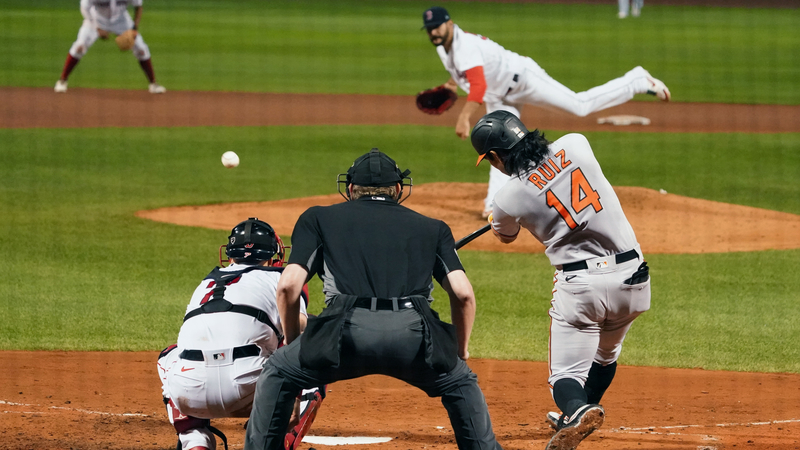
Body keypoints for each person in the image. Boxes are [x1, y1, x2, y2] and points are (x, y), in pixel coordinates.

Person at [244, 149, 503, 450]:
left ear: (351, 189)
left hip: (342, 337)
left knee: (279, 372)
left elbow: (288, 287)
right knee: (461, 382)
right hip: (413, 337)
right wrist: (459, 350)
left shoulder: (318, 218)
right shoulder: (433, 228)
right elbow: (463, 294)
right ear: (396, 190)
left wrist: (294, 345)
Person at [470, 111, 651, 450]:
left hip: (582, 288)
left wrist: (500, 217)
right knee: (606, 355)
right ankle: (577, 416)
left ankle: (576, 407)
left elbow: (505, 235)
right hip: (634, 279)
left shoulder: (507, 199)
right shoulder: (576, 143)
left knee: (563, 378)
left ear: (495, 157)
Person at [421, 6, 670, 218]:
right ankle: (493, 204)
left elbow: (478, 85)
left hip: (524, 80)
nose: (434, 32)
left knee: (579, 106)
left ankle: (637, 80)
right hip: (499, 95)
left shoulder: (465, 46)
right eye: (429, 29)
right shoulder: (445, 47)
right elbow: (465, 74)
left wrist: (464, 118)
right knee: (496, 146)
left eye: (437, 27)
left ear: (450, 24)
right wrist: (450, 85)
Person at [157, 218, 324, 450]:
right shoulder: (281, 277)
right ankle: (279, 442)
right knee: (312, 352)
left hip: (190, 392)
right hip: (249, 389)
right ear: (272, 253)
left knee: (169, 356)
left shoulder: (206, 282)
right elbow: (299, 332)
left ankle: (194, 441)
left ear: (230, 253)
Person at [55, 0, 166, 94]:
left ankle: (153, 84)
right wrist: (97, 28)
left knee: (141, 49)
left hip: (121, 21)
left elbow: (138, 7)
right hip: (95, 20)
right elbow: (84, 8)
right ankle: (62, 80)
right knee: (80, 46)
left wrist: (134, 29)